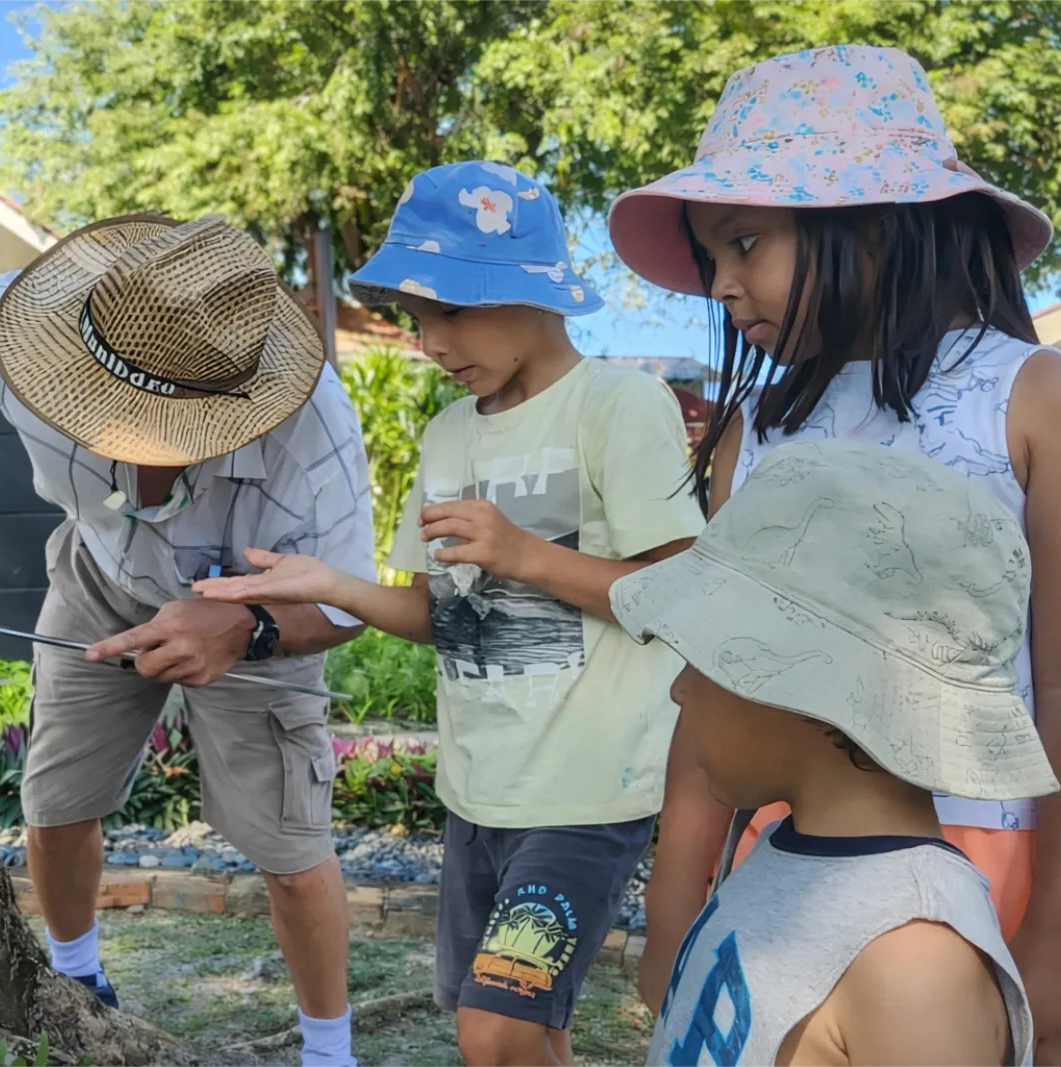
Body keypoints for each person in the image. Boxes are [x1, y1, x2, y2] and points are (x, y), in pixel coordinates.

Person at [607, 42, 1061, 1066]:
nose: (723, 287)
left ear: (873, 224)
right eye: (711, 258)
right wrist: (674, 904)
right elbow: (720, 663)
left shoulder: (1040, 399)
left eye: (743, 242)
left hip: (986, 849)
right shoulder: (755, 427)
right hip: (784, 850)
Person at [195, 160, 703, 1067]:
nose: (430, 341)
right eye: (417, 317)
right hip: (477, 794)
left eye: (453, 310)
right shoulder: (446, 435)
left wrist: (525, 554)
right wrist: (331, 584)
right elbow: (440, 612)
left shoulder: (619, 406)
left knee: (492, 1029)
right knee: (525, 1033)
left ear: (531, 291)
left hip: (584, 797)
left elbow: (676, 593)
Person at [0, 210, 376, 1067]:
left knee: (289, 844)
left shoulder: (312, 431)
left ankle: (328, 1051)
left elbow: (351, 604)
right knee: (55, 803)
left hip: (260, 605)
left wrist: (244, 626)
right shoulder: (26, 327)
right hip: (100, 577)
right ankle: (76, 978)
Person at [609, 437, 1049, 1066]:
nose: (681, 687)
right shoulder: (785, 850)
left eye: (707, 657)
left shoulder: (914, 959)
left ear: (813, 685)